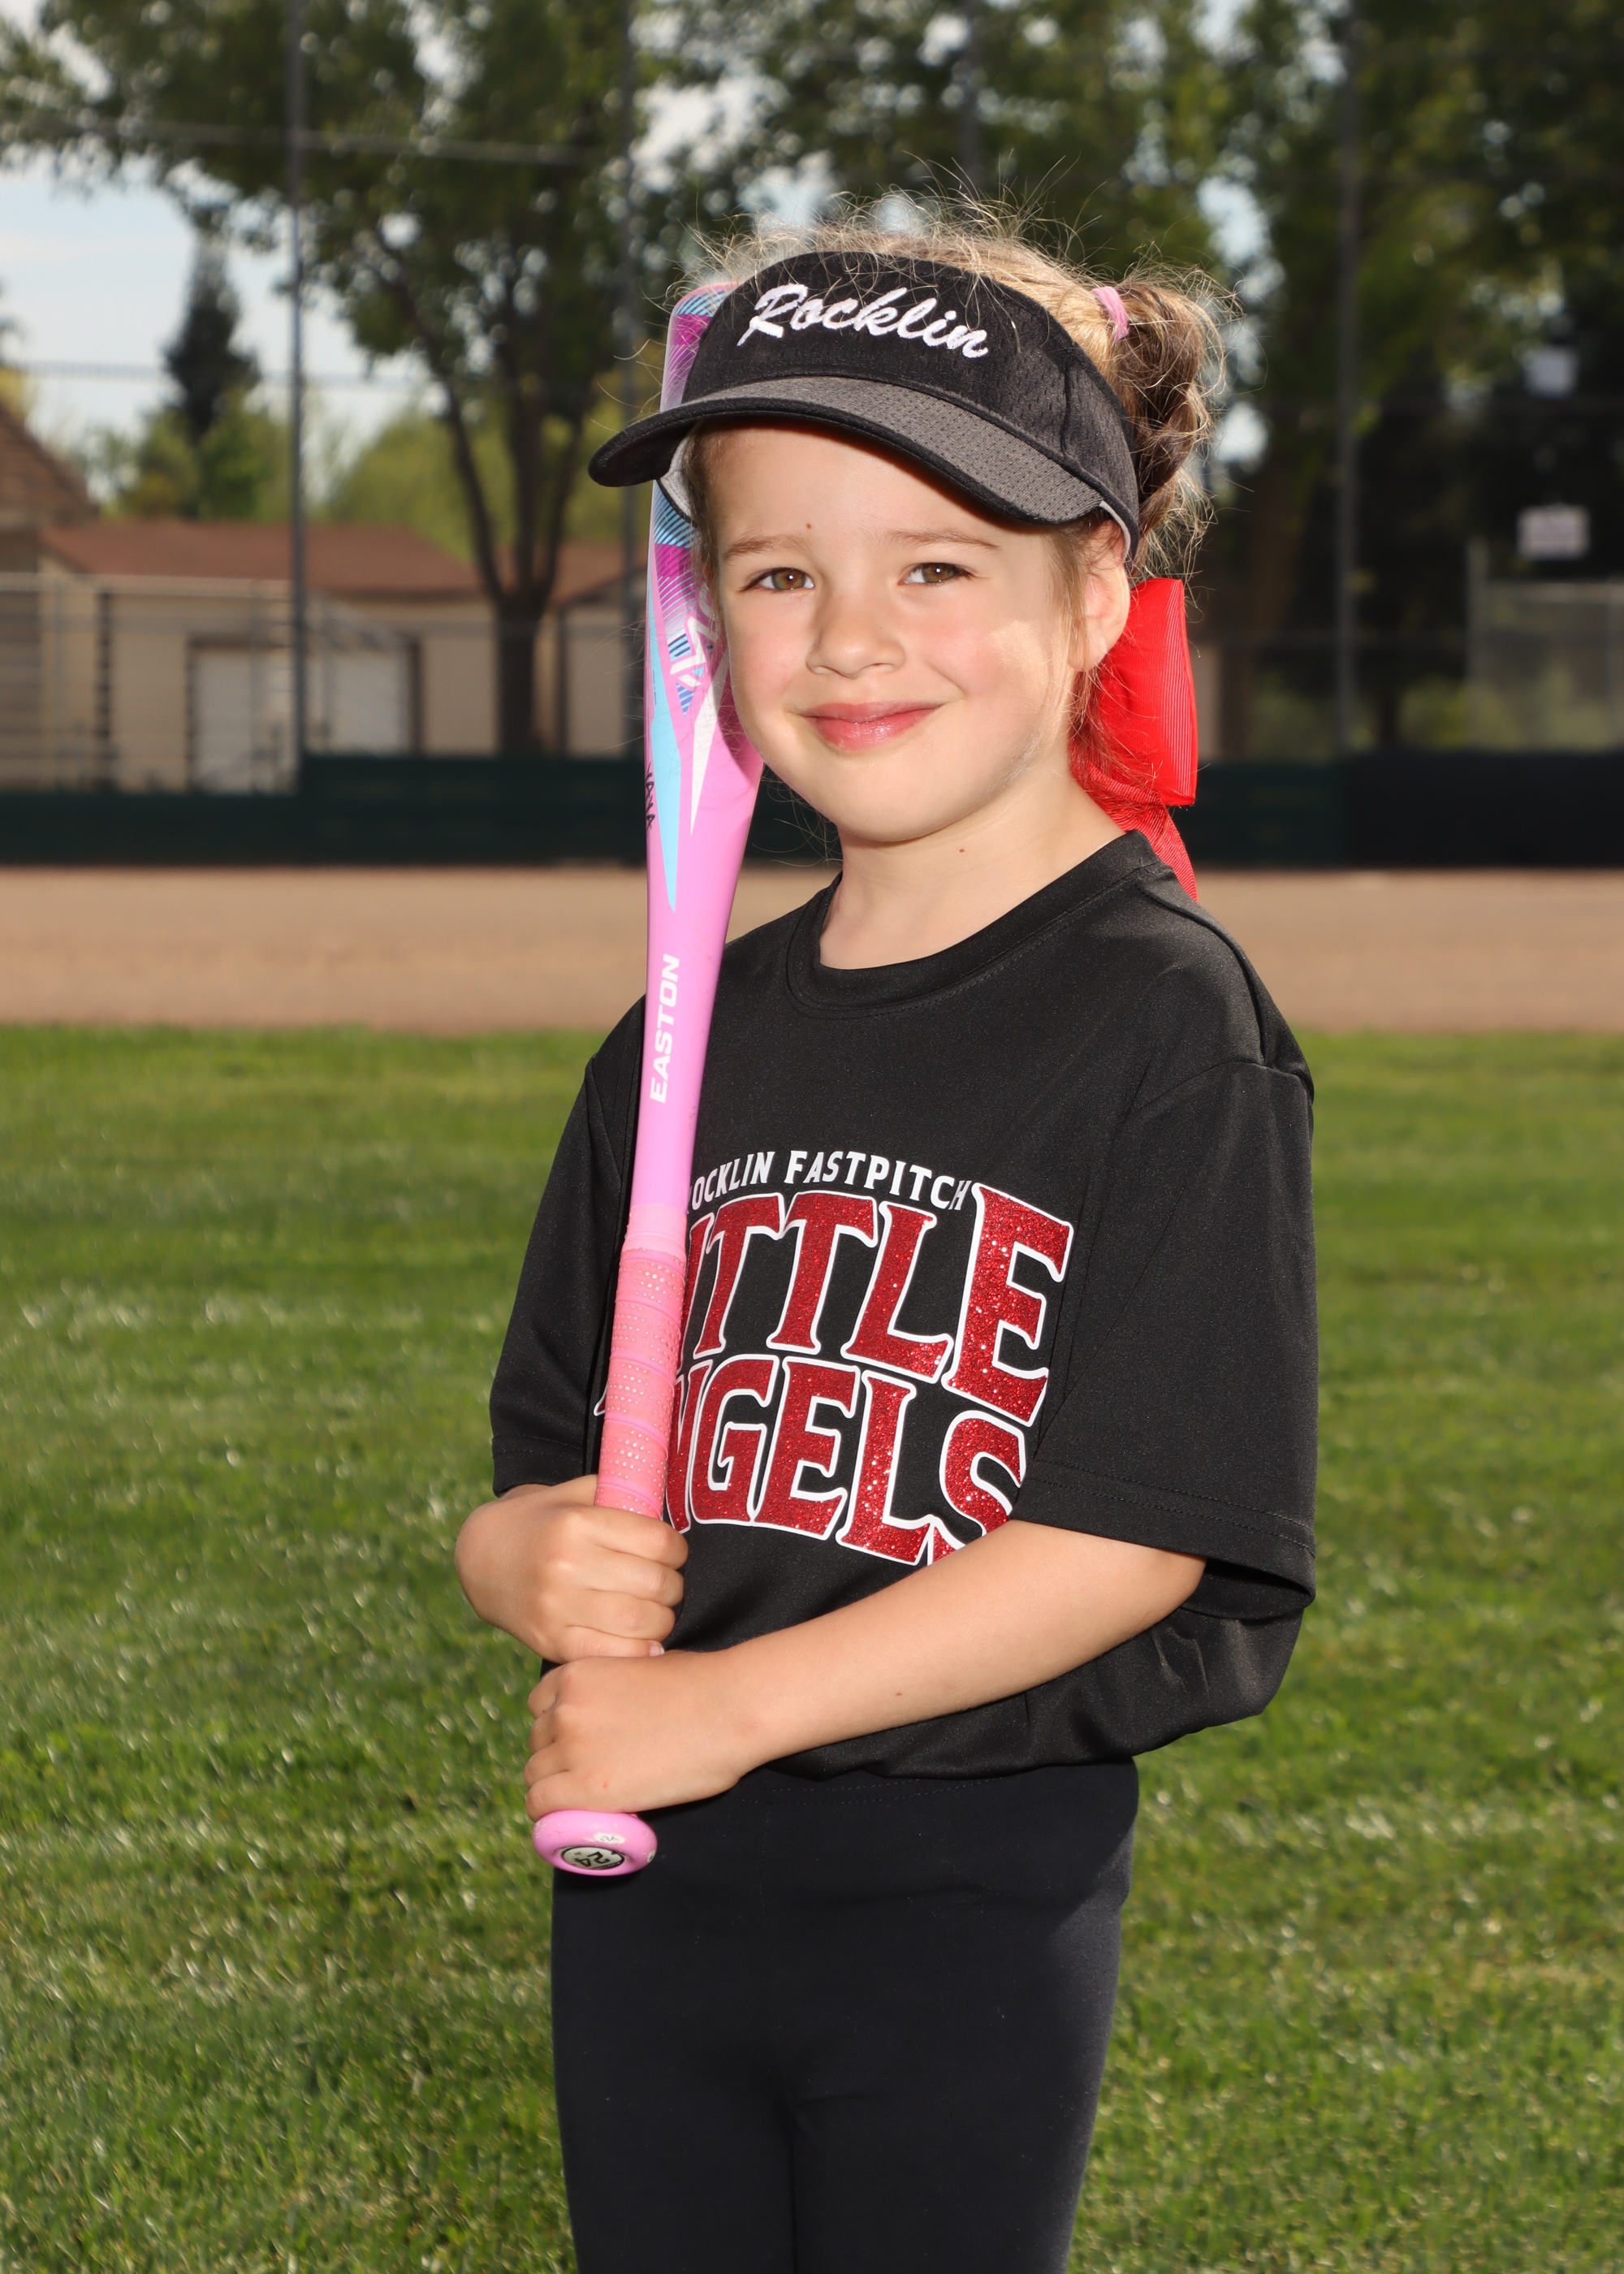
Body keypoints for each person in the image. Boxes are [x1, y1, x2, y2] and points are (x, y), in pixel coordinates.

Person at [456, 210, 1317, 2274]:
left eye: (936, 567)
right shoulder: (684, 1037)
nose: (850, 638)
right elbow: (547, 1461)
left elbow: (1137, 1529)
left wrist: (731, 1708)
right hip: (651, 1868)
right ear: (709, 614)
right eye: (780, 573)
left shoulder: (1163, 1021)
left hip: (966, 1884)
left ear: (1094, 587)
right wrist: (517, 1558)